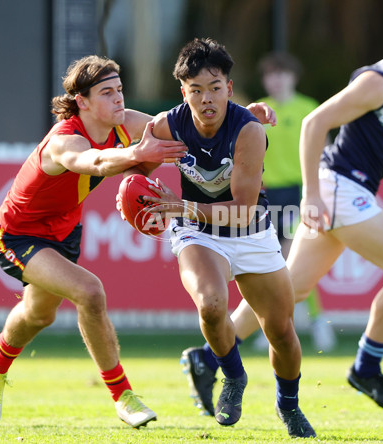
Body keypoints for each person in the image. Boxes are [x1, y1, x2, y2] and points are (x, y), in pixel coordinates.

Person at [178, 3, 383, 415]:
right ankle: (367, 365)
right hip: (339, 189)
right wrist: (312, 195)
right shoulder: (380, 83)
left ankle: (205, 359)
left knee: (287, 294)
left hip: (343, 192)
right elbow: (314, 124)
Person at [0, 55, 189, 428]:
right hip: (19, 234)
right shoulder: (63, 140)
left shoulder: (124, 123)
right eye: (107, 92)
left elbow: (183, 123)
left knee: (40, 314)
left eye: (120, 89)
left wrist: (235, 117)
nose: (119, 99)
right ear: (82, 102)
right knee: (90, 291)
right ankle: (123, 396)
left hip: (64, 231)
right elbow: (96, 162)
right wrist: (138, 154)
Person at [123, 38, 316, 438]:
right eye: (196, 90)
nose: (206, 98)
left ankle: (288, 405)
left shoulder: (247, 129)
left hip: (250, 231)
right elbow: (136, 168)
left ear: (229, 88)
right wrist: (130, 191)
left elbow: (244, 208)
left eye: (214, 88)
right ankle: (232, 376)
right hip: (196, 232)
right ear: (184, 93)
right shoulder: (166, 125)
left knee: (281, 331)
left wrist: (182, 207)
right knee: (211, 304)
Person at [253, 51, 336, 352]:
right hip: (265, 196)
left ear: (293, 77)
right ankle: (273, 324)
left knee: (291, 261)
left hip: (299, 192)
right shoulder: (259, 111)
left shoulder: (308, 108)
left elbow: (324, 150)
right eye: (270, 74)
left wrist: (318, 191)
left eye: (281, 74)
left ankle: (313, 321)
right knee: (268, 263)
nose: (275, 80)